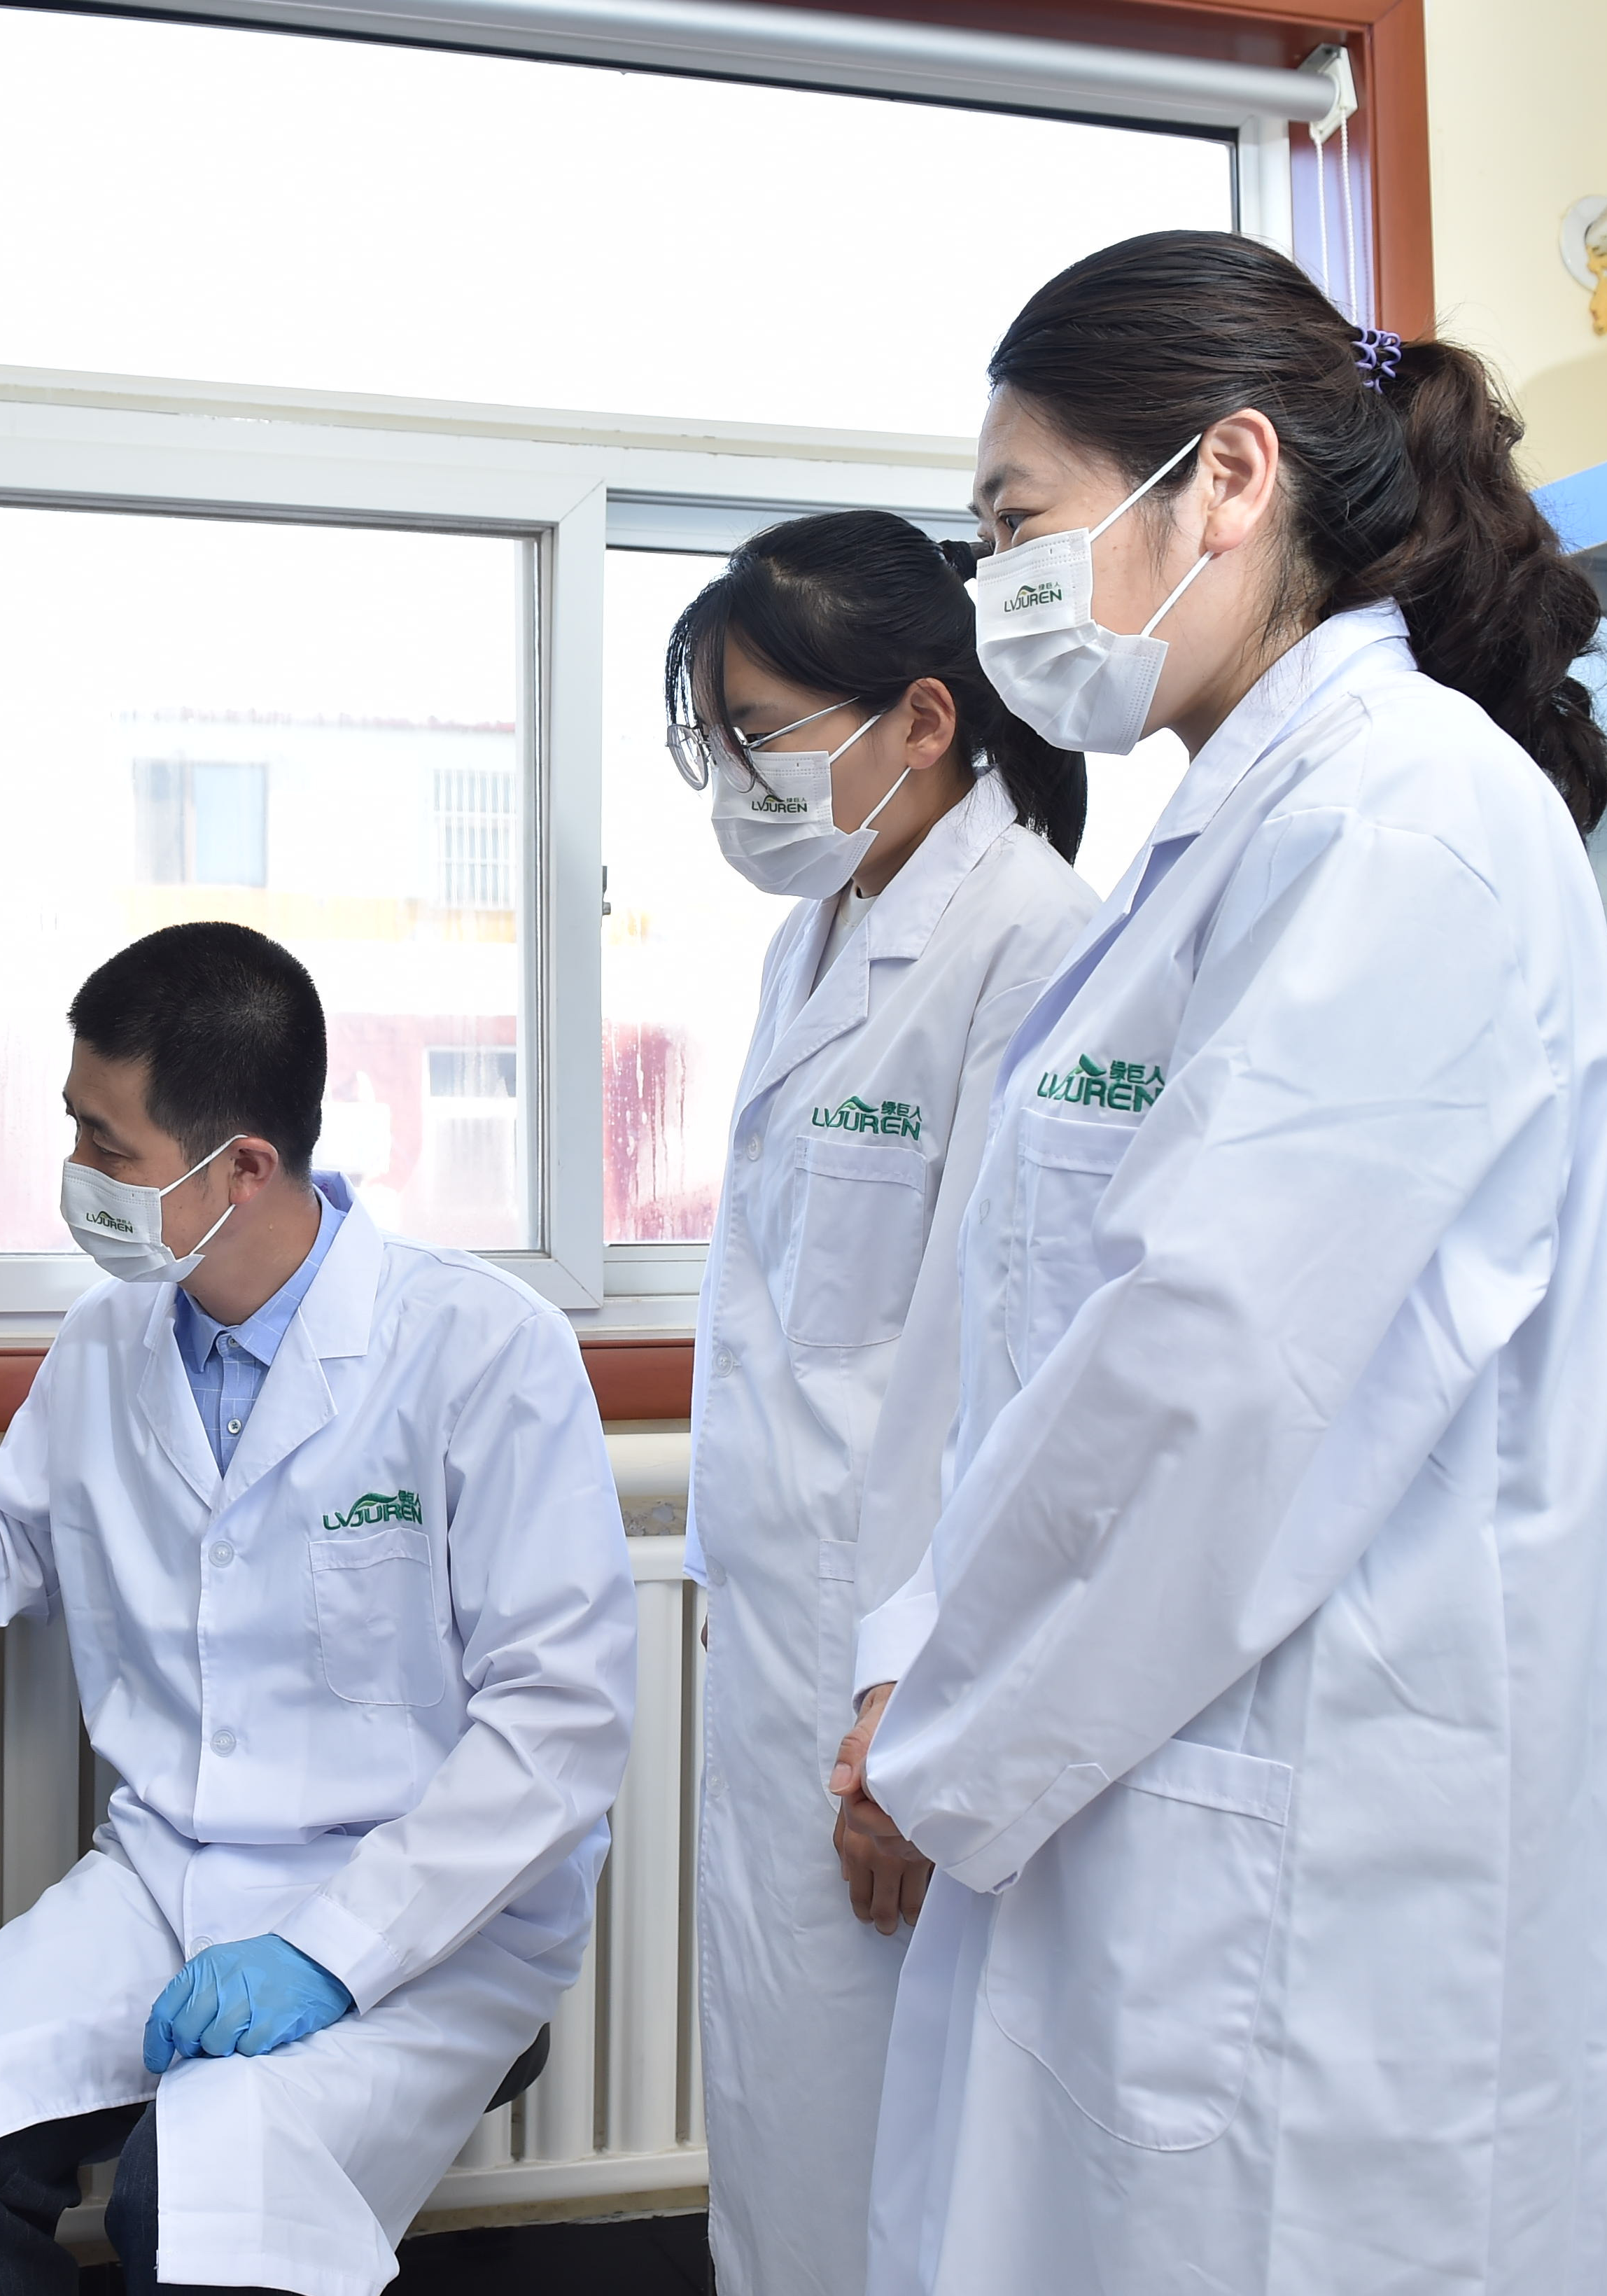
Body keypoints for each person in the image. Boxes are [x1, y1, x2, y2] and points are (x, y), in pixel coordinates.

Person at [824, 230, 1607, 2294]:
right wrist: (930, 1665)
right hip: (1164, 1786)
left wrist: (939, 1736)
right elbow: (1070, 1342)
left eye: (1015, 524)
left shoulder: (1404, 827)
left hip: (1315, 1860)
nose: (996, 587)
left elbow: (1209, 1369)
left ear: (1225, 476)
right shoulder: (1241, 829)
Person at [0, 921, 636, 2296]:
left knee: (196, 2212)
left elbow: (558, 1723)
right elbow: (13, 1538)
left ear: (243, 1168)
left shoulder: (483, 1347)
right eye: (75, 1128)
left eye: (108, 1146)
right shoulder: (110, 1336)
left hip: (422, 1909)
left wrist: (328, 1952)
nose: (77, 1175)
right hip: (166, 1873)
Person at [661, 512, 1098, 2296]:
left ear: (924, 718)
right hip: (779, 1643)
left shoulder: (1034, 946)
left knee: (884, 2159)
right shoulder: (822, 930)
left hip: (884, 1686)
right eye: (718, 741)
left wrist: (908, 1716)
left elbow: (1008, 1372)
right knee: (778, 2116)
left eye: (761, 734)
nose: (736, 783)